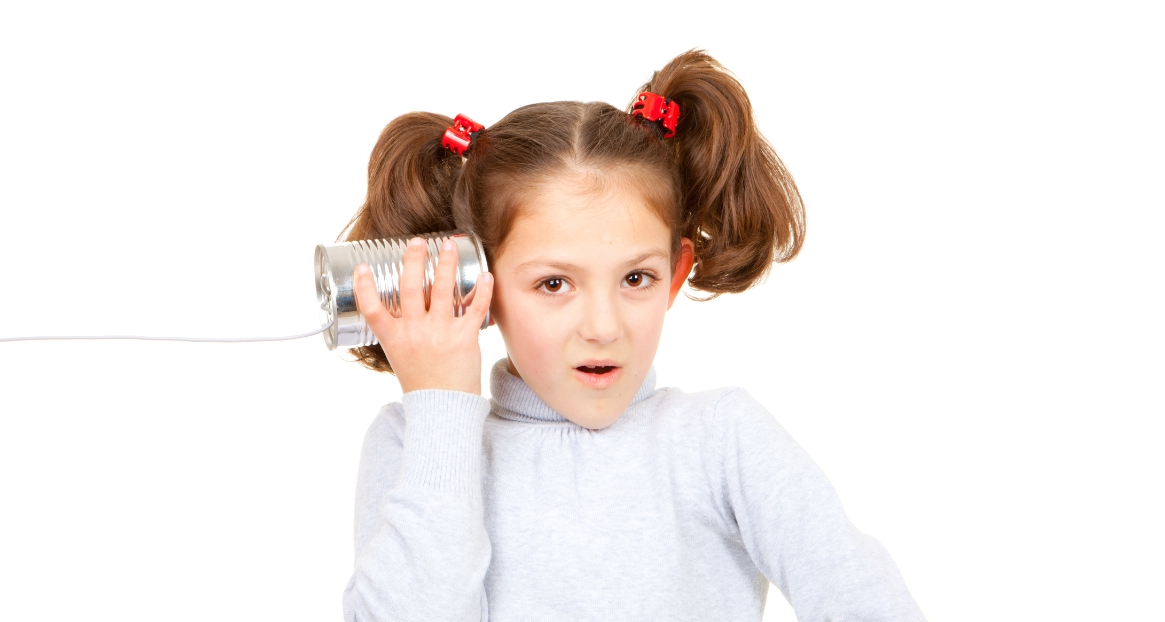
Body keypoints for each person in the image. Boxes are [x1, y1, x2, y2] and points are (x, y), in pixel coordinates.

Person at [337, 50, 925, 621]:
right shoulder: (412, 443)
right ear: (478, 288)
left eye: (636, 278)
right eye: (553, 284)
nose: (603, 327)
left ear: (675, 276)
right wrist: (441, 405)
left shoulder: (721, 441)